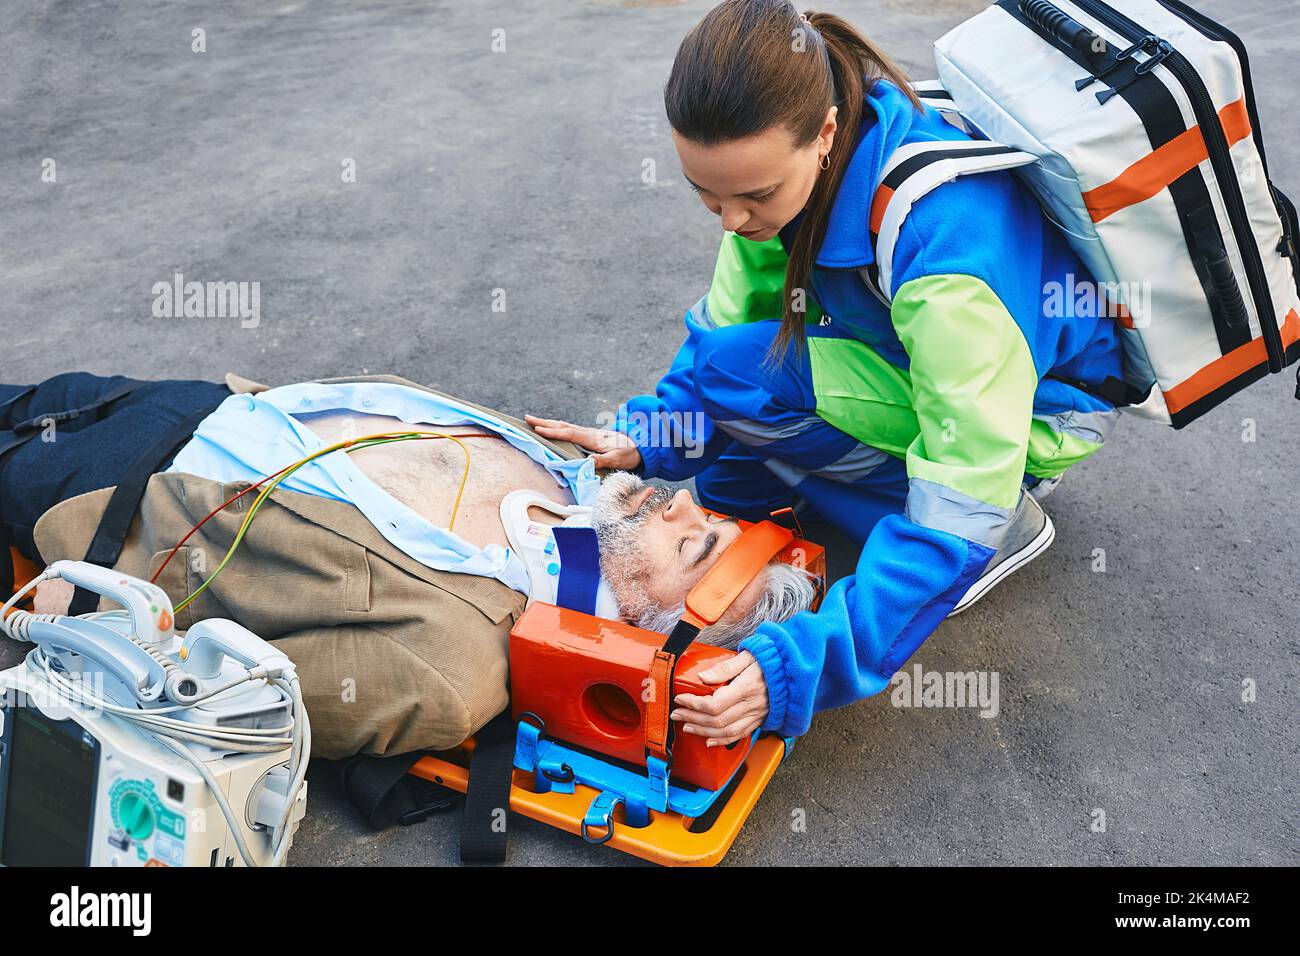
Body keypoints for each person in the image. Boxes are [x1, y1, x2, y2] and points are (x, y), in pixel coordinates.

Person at [528, 0, 1123, 746]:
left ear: (828, 136)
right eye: (706, 195)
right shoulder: (781, 182)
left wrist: (799, 668)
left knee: (752, 386)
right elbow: (721, 325)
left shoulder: (948, 254)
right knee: (729, 428)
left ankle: (1003, 529)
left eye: (754, 198)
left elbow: (965, 470)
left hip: (1037, 412)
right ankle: (859, 500)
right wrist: (649, 437)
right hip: (921, 361)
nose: (732, 221)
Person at [0, 370, 814, 759]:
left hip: (122, 498)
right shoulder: (576, 486)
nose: (680, 503)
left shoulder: (452, 666)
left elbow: (235, 691)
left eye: (693, 543)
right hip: (195, 402)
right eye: (709, 516)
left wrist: (101, 620)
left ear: (648, 623)